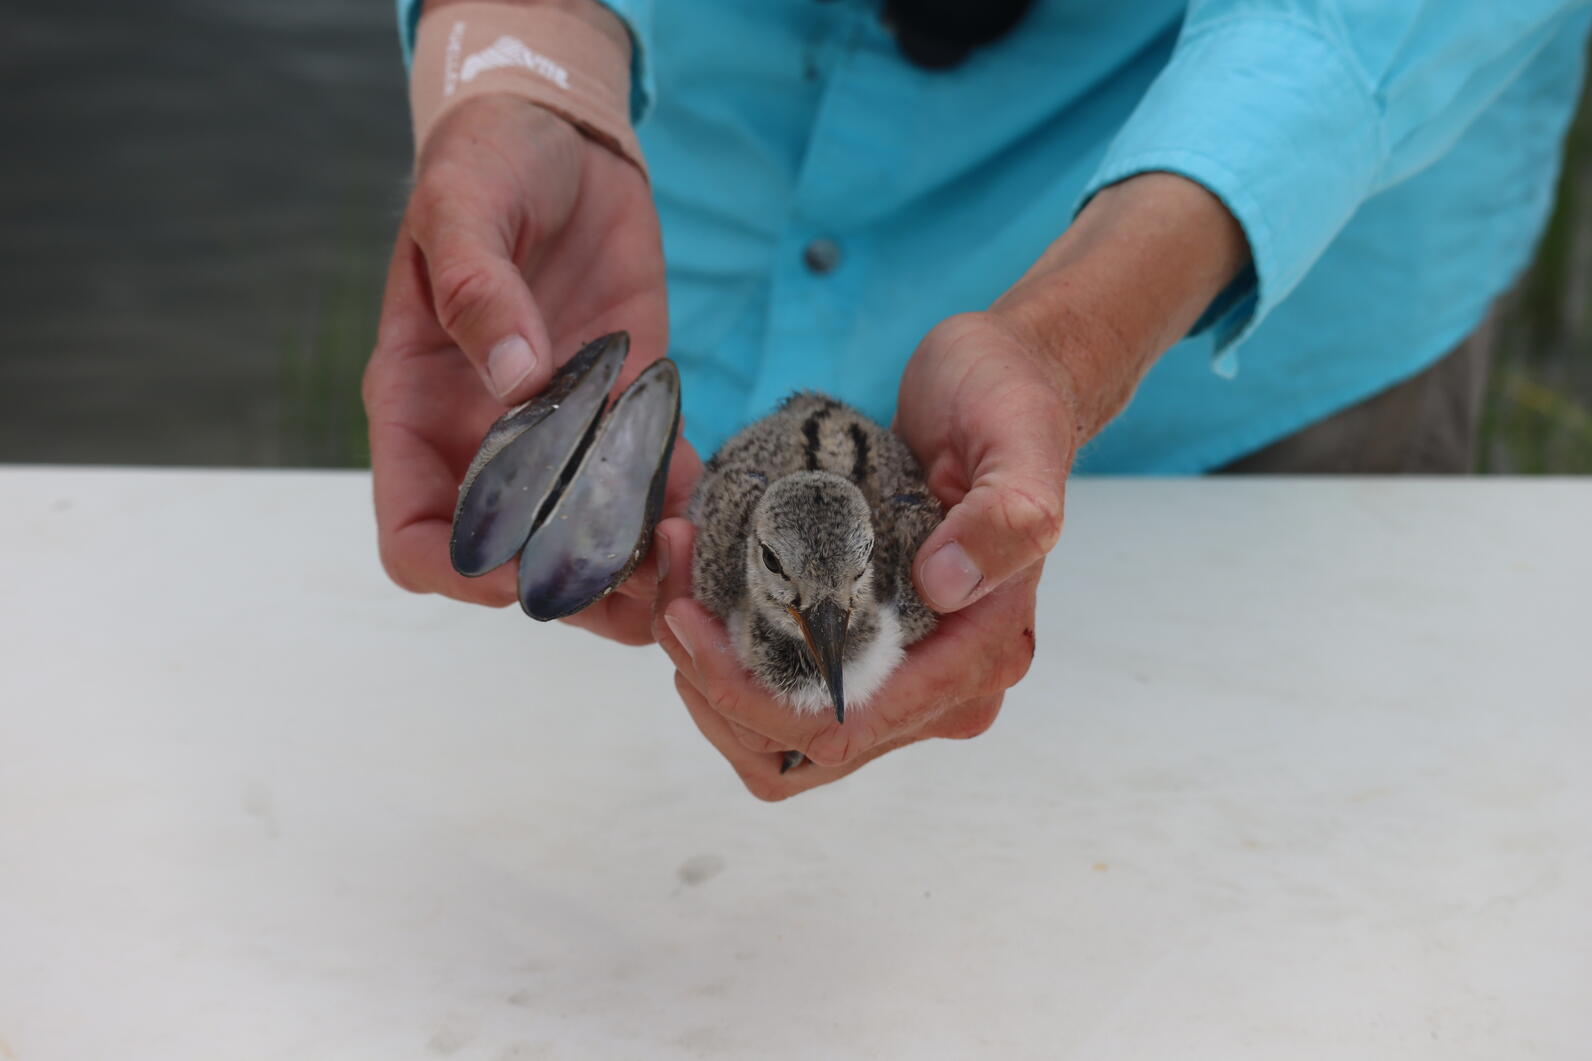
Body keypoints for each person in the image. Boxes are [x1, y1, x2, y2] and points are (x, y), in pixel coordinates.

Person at [364, 0, 1592, 799]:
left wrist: (1078, 337)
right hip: (657, 224)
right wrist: (534, 59)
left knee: (1277, 826)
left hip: (1259, 301)